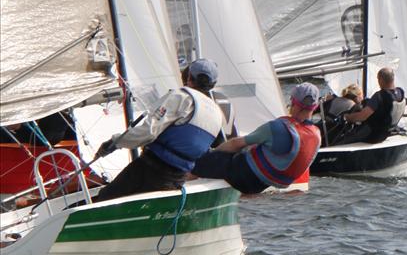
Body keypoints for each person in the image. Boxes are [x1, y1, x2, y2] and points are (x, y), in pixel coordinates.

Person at [92, 58, 223, 202]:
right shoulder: (217, 114)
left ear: (189, 76)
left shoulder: (181, 97)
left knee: (105, 199)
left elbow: (148, 132)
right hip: (177, 179)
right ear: (213, 84)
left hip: (150, 170)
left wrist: (114, 143)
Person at [192, 83, 322, 192]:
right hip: (260, 186)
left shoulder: (277, 128)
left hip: (241, 174)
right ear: (315, 107)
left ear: (293, 102)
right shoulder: (317, 136)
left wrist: (214, 153)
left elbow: (236, 144)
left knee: (195, 162)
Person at [332, 67, 405, 145]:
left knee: (340, 141)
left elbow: (362, 116)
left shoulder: (379, 96)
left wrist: (346, 117)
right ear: (393, 78)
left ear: (380, 79)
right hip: (386, 132)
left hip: (372, 134)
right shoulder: (401, 92)